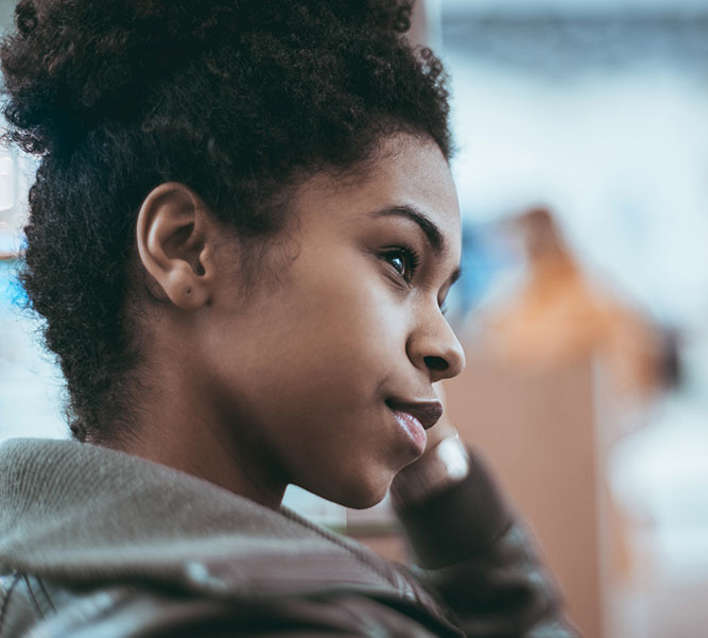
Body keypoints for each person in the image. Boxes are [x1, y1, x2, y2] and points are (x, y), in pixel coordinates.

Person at [0, 1, 579, 636]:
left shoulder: (47, 569)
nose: (449, 349)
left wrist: (441, 485)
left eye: (443, 298)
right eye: (399, 261)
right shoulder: (264, 620)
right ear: (187, 248)